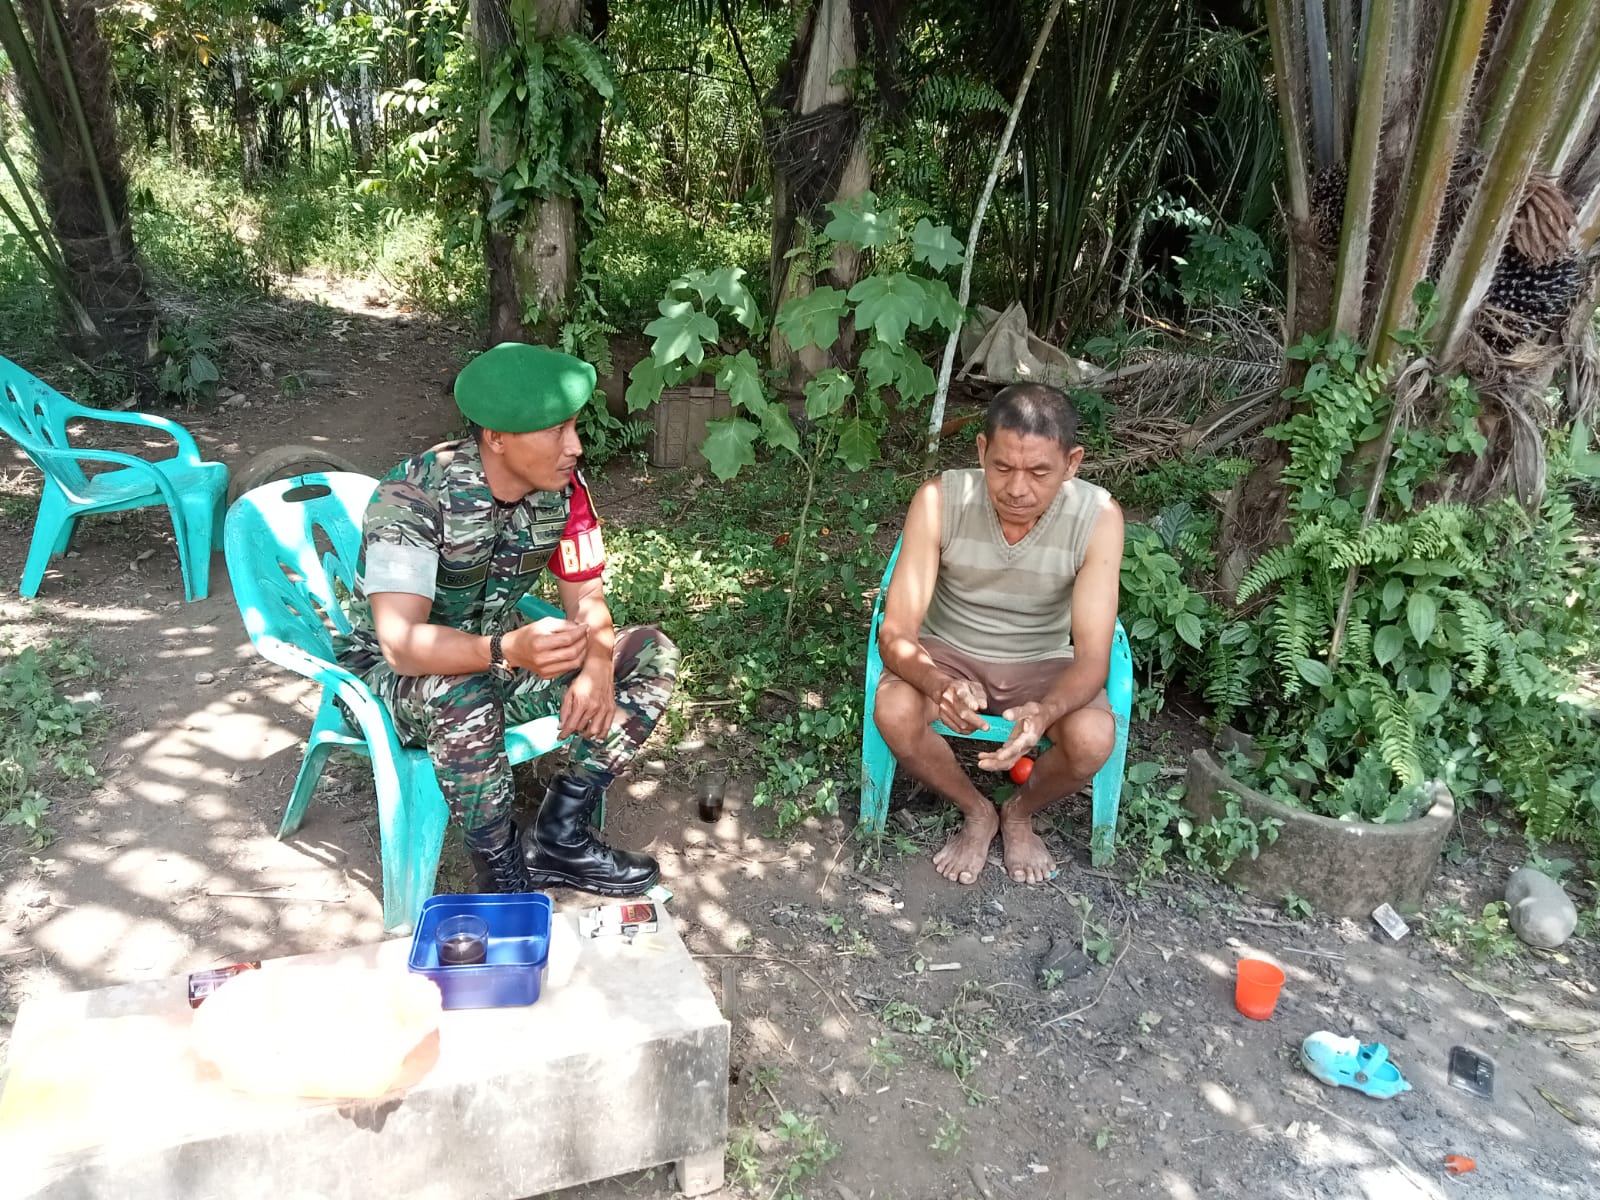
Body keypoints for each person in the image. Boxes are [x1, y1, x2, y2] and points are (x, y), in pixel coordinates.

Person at [333, 341, 678, 896]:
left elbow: (587, 596)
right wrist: (504, 651)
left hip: (501, 654)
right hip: (388, 683)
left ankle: (561, 835)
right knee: (459, 688)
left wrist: (596, 668)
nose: (575, 447)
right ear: (496, 437)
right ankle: (501, 872)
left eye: (574, 427)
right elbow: (399, 644)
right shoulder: (412, 496)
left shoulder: (565, 493)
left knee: (649, 652)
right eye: (557, 431)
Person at [873, 383, 1122, 885]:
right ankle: (976, 809)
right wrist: (939, 684)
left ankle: (1020, 812)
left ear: (1072, 463)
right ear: (982, 450)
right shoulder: (940, 500)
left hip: (1044, 661)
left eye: (1039, 472)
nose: (1017, 489)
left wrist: (1046, 711)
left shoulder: (1098, 518)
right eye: (1002, 467)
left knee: (1094, 738)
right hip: (948, 653)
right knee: (895, 710)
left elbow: (1094, 658)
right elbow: (896, 631)